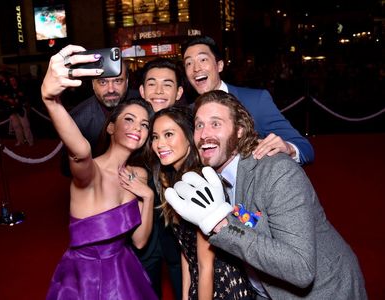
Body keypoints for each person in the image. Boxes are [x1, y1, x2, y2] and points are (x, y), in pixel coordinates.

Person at [165, 90, 367, 299]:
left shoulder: (276, 171)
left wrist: (221, 224)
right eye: (199, 125)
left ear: (240, 130)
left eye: (215, 124)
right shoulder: (211, 179)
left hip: (325, 292)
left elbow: (300, 268)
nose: (205, 133)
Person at [41, 45, 157, 299]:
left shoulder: (139, 176)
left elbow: (139, 242)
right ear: (111, 128)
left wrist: (148, 197)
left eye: (144, 124)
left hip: (126, 271)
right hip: (85, 279)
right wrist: (50, 101)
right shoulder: (90, 173)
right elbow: (80, 152)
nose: (137, 127)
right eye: (128, 119)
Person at [147, 106, 253, 299]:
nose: (159, 144)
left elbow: (207, 264)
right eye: (155, 137)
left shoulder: (199, 182)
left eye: (168, 134)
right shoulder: (173, 180)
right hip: (200, 280)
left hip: (222, 284)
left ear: (189, 137)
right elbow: (187, 253)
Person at [181, 35, 314, 165]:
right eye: (189, 63)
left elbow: (305, 149)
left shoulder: (255, 101)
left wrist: (289, 148)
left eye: (203, 60)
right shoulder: (188, 113)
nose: (196, 68)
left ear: (219, 65)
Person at [136, 57, 186, 299]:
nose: (158, 91)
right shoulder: (132, 128)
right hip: (141, 229)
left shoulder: (189, 127)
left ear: (179, 92)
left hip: (178, 231)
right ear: (142, 90)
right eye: (152, 84)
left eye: (167, 84)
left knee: (182, 284)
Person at [60, 59, 133, 176]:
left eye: (118, 81)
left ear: (127, 82)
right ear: (93, 84)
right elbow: (68, 170)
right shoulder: (77, 120)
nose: (111, 89)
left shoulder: (141, 102)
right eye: (102, 82)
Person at [7, 75, 34, 146]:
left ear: (16, 80)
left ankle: (30, 141)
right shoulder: (9, 89)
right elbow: (7, 98)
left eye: (13, 80)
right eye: (10, 81)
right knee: (16, 126)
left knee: (25, 126)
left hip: (21, 109)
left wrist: (21, 97)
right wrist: (9, 100)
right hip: (13, 110)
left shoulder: (22, 88)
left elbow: (27, 98)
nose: (12, 82)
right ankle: (20, 140)